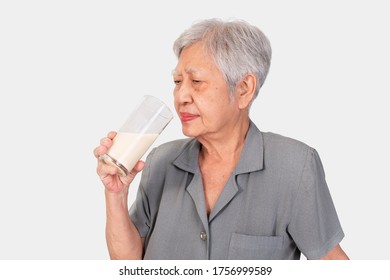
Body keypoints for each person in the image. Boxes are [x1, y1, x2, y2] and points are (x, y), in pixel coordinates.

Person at [93, 18, 349, 260]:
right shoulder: (160, 161)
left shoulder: (294, 167)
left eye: (196, 81)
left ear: (244, 89)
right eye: (177, 81)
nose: (181, 95)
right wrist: (116, 194)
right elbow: (127, 262)